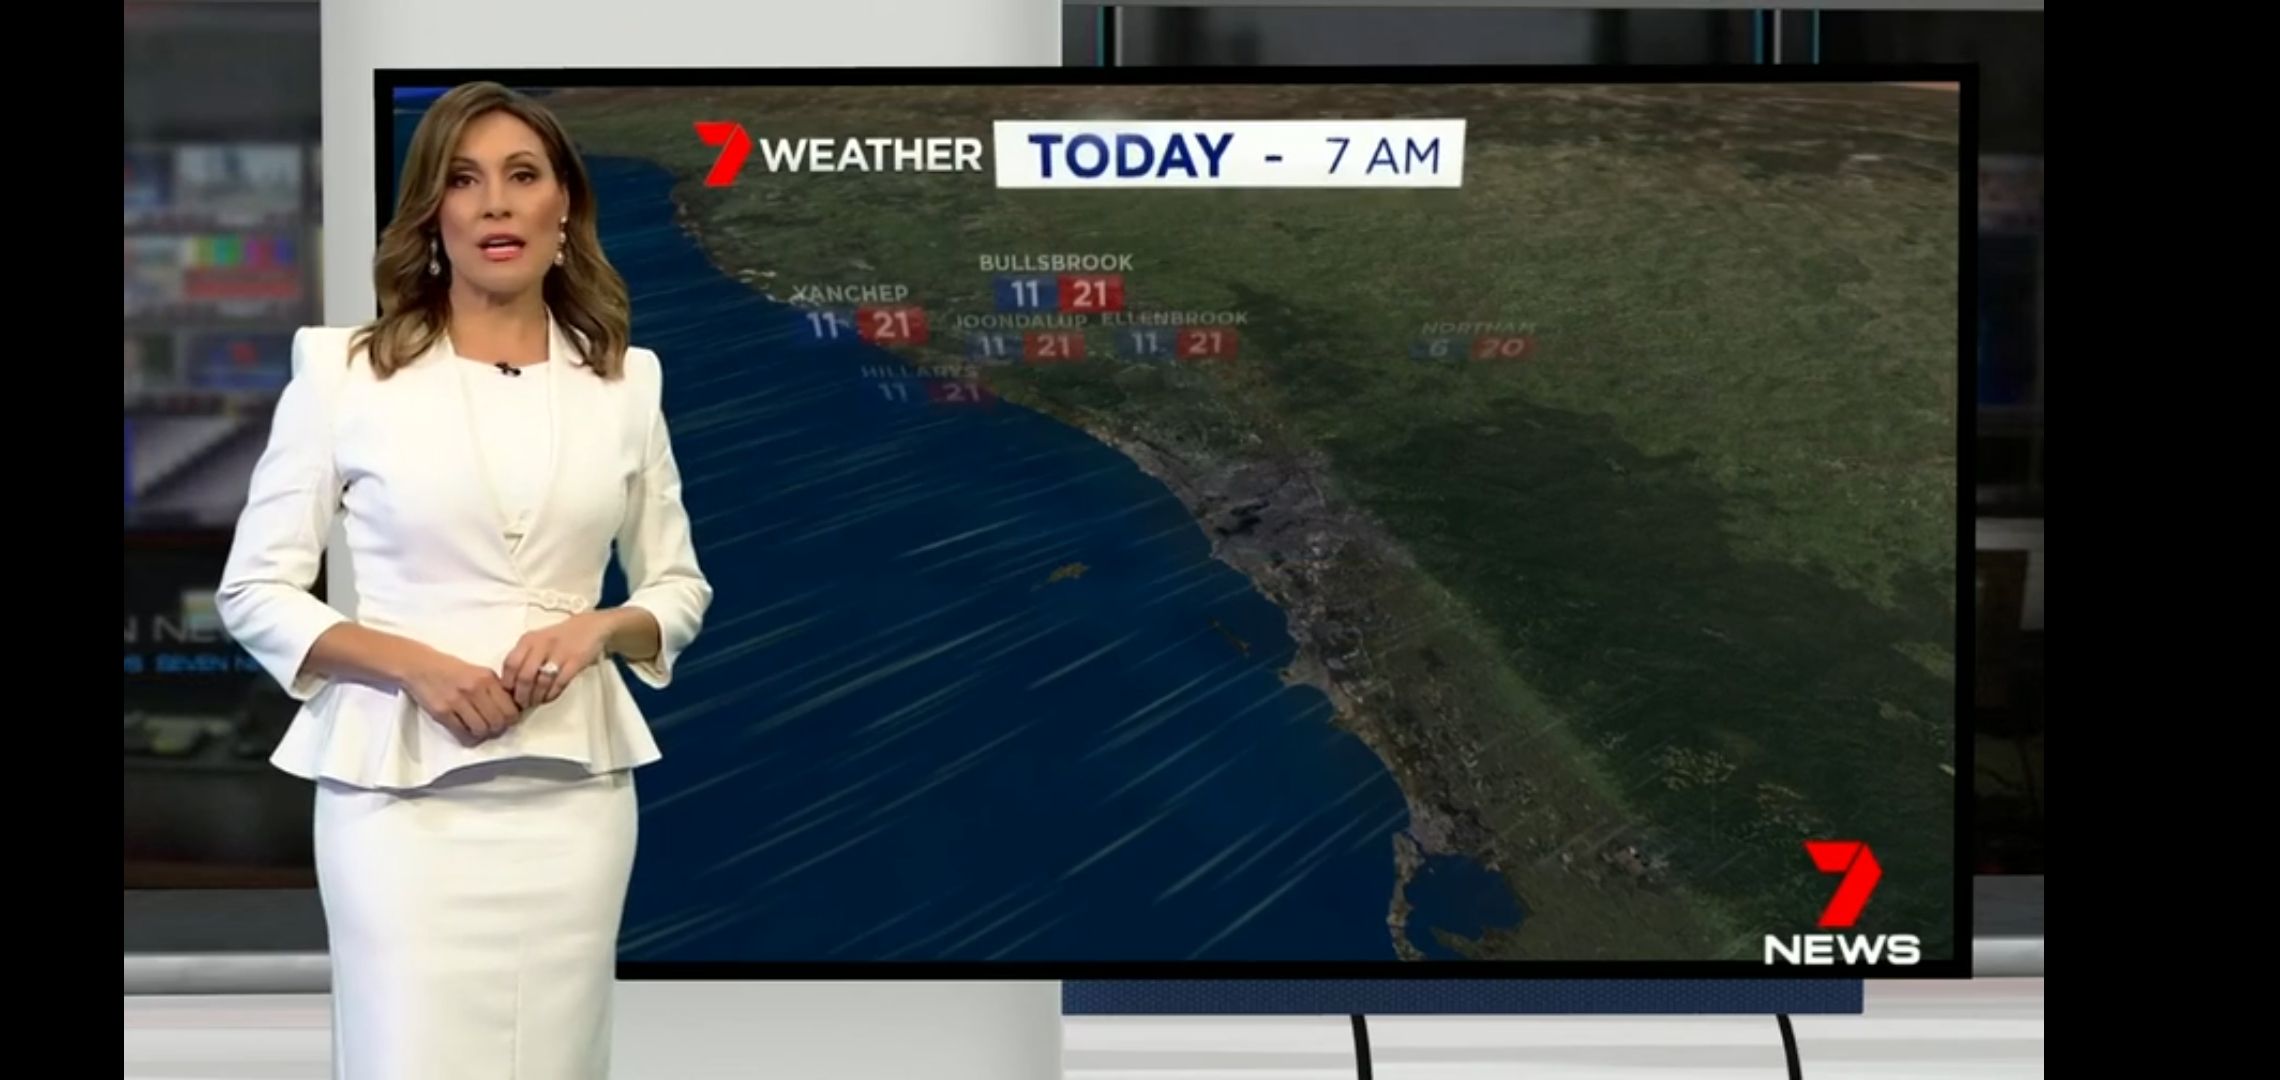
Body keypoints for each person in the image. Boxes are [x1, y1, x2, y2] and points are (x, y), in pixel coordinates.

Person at [216, 81, 712, 1080]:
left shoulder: (627, 383)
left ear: (562, 205)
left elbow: (677, 588)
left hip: (572, 797)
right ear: (432, 213)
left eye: (522, 176)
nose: (495, 204)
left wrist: (597, 629)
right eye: (463, 179)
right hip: (398, 801)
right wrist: (413, 667)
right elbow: (254, 590)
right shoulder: (343, 372)